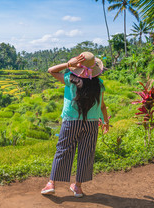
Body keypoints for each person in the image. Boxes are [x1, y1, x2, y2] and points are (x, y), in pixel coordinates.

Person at [41, 52, 109, 197]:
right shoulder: (99, 84)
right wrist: (106, 121)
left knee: (63, 150)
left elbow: (51, 70)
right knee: (86, 154)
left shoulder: (69, 79)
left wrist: (68, 64)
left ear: (78, 67)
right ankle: (77, 187)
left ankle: (51, 184)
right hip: (91, 124)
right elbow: (102, 105)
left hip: (71, 121)